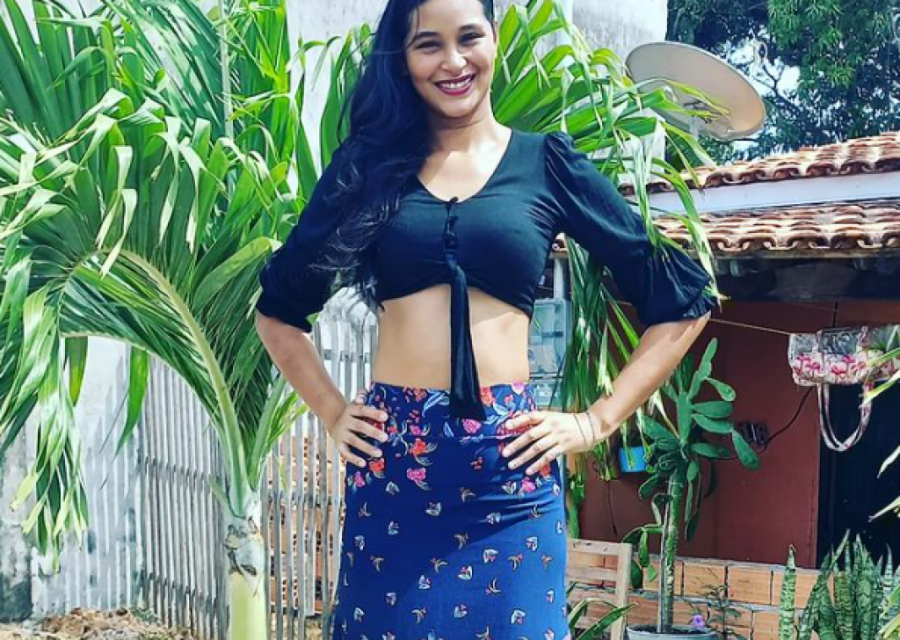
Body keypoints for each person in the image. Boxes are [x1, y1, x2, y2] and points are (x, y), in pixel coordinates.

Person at [254, 0, 715, 637]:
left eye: (468, 37)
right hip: (396, 472)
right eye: (428, 45)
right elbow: (278, 312)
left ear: (494, 39)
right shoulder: (368, 170)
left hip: (511, 477)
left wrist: (596, 421)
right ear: (403, 58)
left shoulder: (547, 165)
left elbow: (682, 301)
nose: (453, 61)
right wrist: (333, 412)